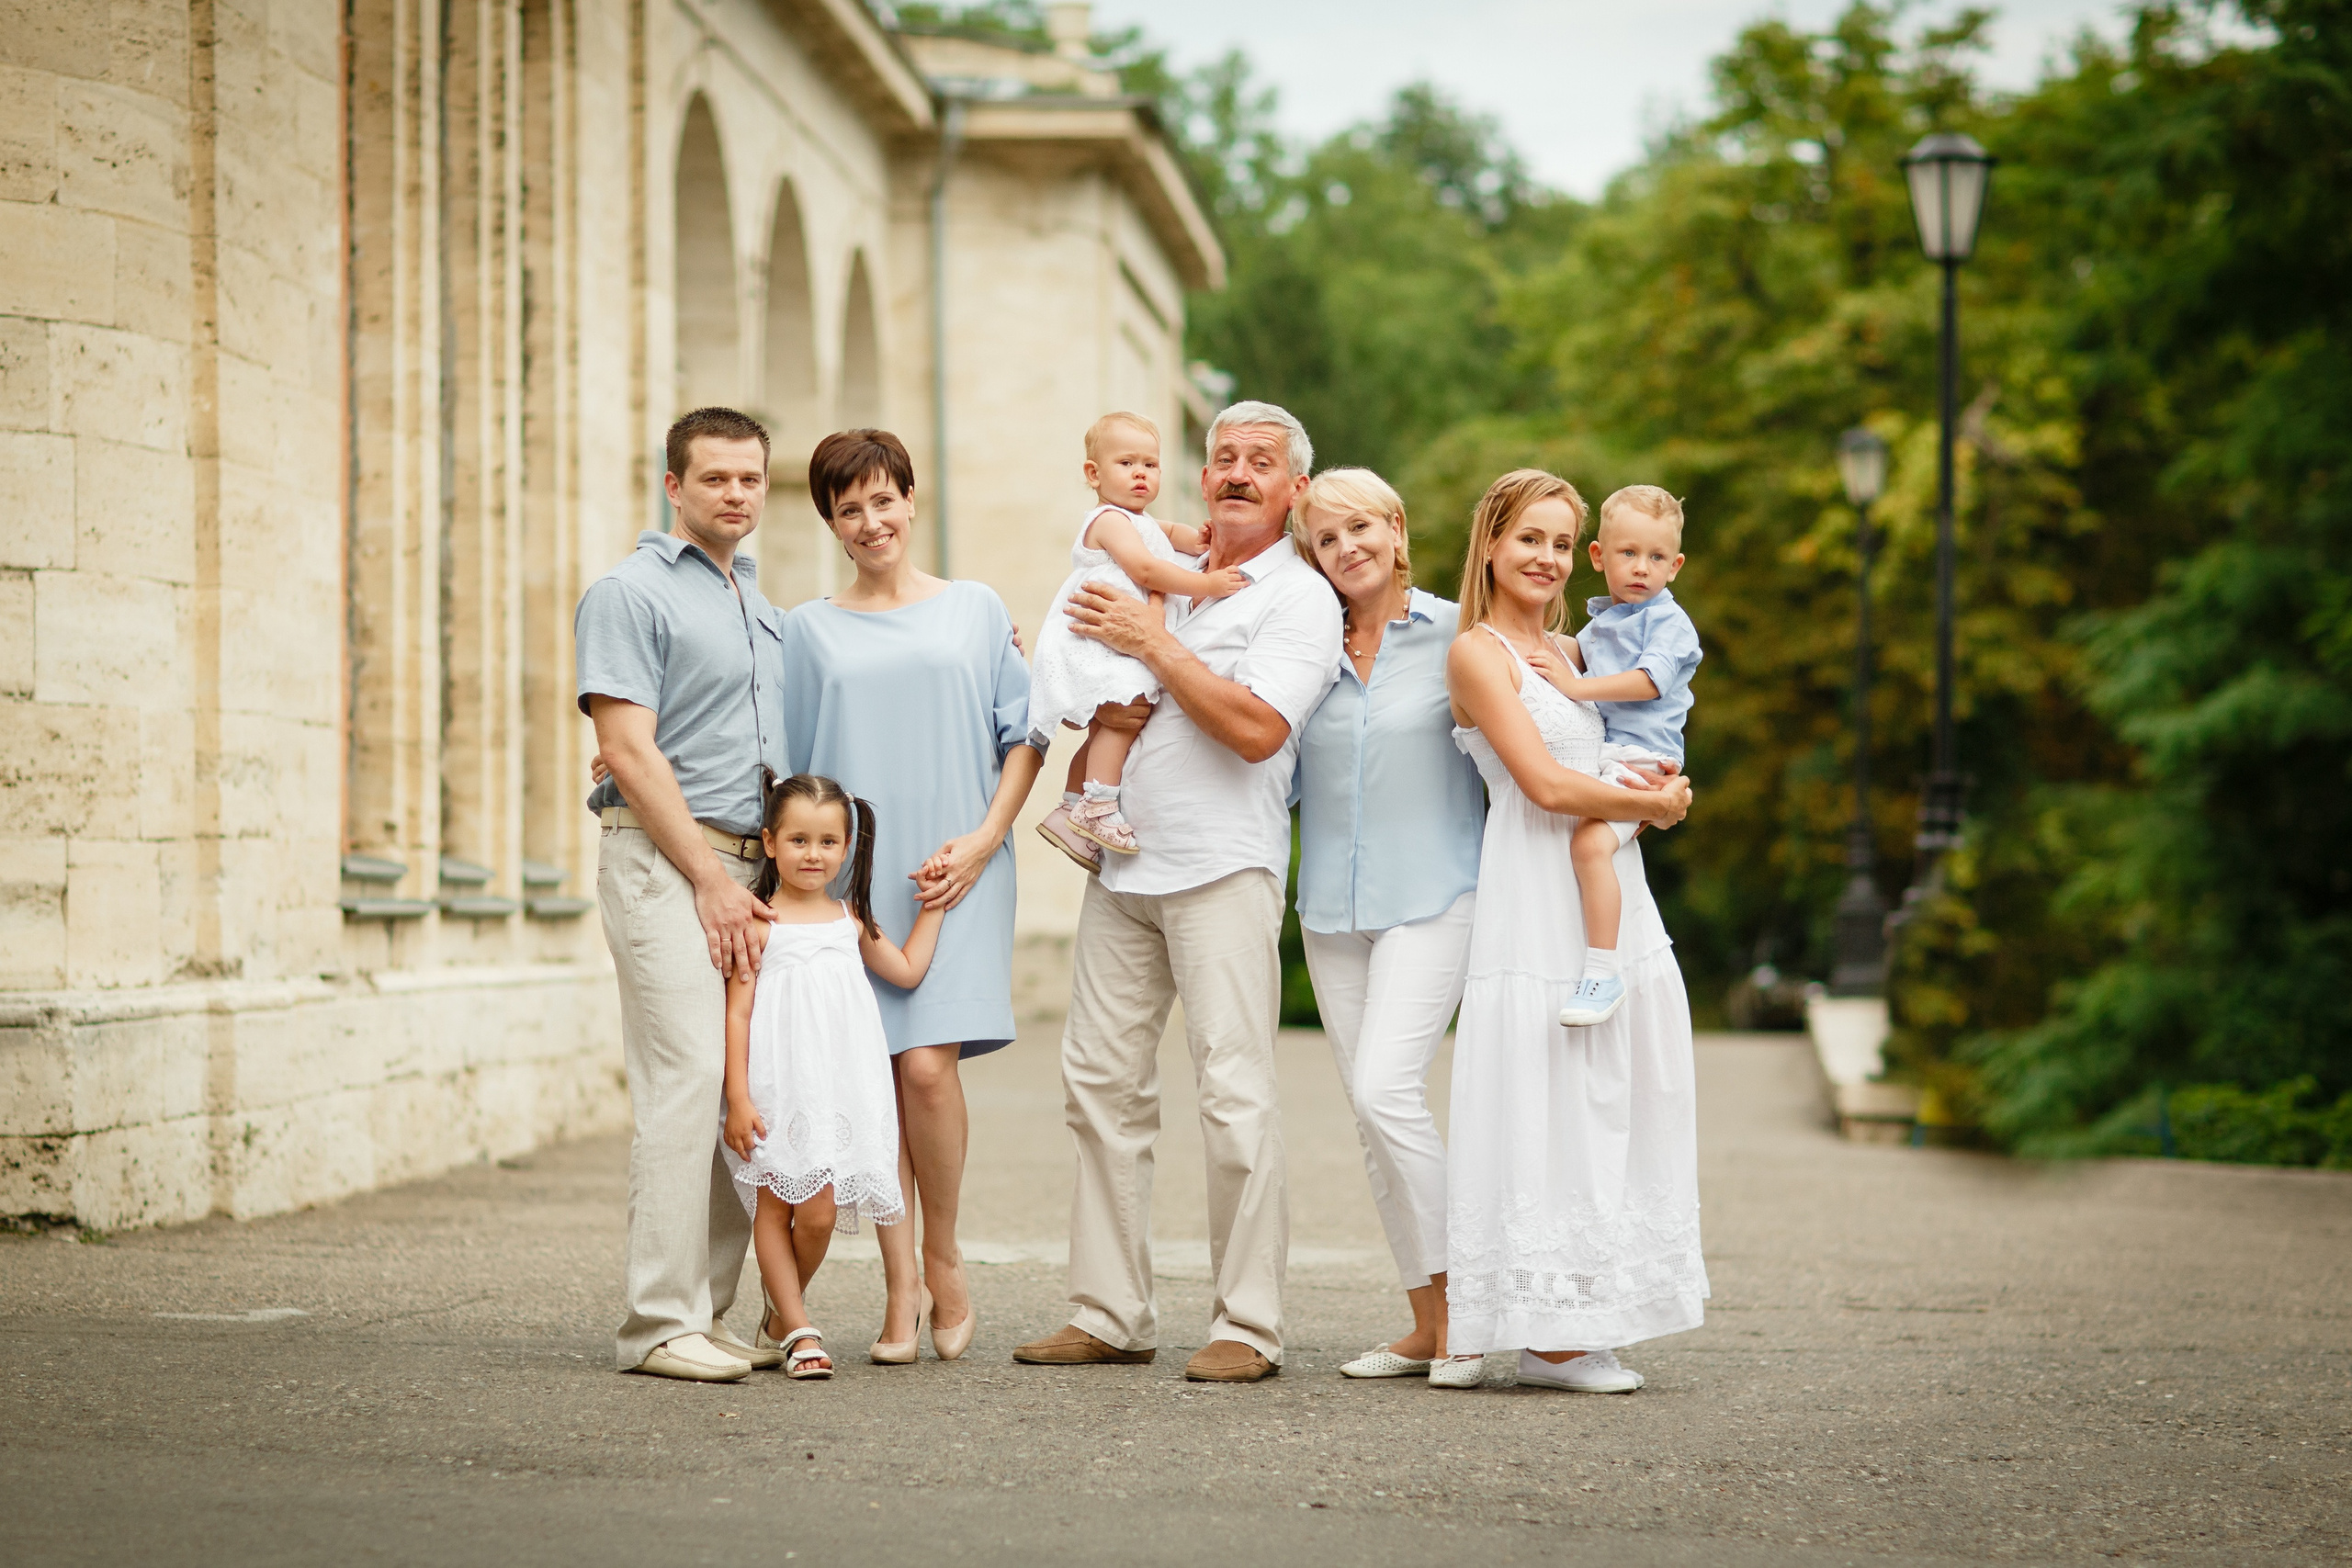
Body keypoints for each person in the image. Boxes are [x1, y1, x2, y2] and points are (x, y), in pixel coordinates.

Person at [1012, 400, 1341, 1384]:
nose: (1237, 472)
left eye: (1262, 462)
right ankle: (1109, 1311)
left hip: (1222, 868)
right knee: (1100, 1087)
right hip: (1122, 863)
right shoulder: (1152, 567)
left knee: (1234, 1095)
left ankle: (1247, 1325)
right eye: (1224, 457)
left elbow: (1254, 729)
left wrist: (1153, 645)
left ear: (1296, 490)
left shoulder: (1298, 599)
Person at [777, 429, 1045, 1365]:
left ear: (910, 499)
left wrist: (983, 839)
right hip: (854, 881)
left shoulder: (975, 609)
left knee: (926, 1069)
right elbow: (788, 764)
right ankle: (897, 1290)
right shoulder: (805, 629)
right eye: (849, 509)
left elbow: (1026, 735)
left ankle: (944, 1258)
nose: (870, 520)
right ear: (830, 524)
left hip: (960, 864)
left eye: (883, 499)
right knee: (873, 1077)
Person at [1440, 468, 1705, 1395]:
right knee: (1545, 1089)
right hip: (1537, 877)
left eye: (1560, 542)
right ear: (1491, 544)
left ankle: (1585, 1312)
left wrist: (1654, 787)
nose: (1546, 558)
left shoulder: (1573, 646)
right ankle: (1542, 1332)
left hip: (1602, 880)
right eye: (1531, 539)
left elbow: (1635, 722)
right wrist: (1662, 805)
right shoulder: (1480, 652)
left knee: (1610, 1092)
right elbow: (1546, 787)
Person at [576, 406, 791, 1383]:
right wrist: (707, 878)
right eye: (715, 479)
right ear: (674, 487)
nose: (736, 495)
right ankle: (656, 1324)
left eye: (750, 479)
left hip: (751, 872)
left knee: (739, 1092)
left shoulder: (755, 600)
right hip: (670, 866)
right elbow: (626, 747)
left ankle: (705, 1311)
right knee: (686, 1080)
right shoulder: (629, 593)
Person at [1286, 468, 1487, 1381]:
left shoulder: (1459, 634)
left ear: (1397, 528)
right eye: (1325, 539)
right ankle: (1426, 1319)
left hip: (1435, 895)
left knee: (1385, 1092)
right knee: (1370, 1121)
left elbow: (1553, 699)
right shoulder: (1304, 649)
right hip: (1331, 909)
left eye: (1359, 527)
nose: (1346, 548)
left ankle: (1471, 1314)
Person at [721, 773, 943, 1381]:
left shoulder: (851, 919)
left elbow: (904, 969)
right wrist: (737, 1096)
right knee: (774, 1206)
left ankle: (776, 1316)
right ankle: (799, 1328)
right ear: (769, 842)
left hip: (837, 1086)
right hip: (777, 1088)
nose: (812, 854)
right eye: (797, 839)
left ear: (846, 846)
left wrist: (935, 907)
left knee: (817, 1214)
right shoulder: (760, 922)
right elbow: (737, 1012)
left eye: (826, 841)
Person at [1521, 484, 1702, 1029]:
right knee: (1581, 848)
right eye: (1628, 553)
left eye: (1656, 557)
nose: (1641, 568)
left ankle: (1603, 971)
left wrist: (1576, 689)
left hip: (1644, 760)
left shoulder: (1668, 624)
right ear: (1599, 557)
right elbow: (1572, 652)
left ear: (1676, 566)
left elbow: (1648, 683)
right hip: (1612, 755)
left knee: (1590, 846)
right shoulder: (1605, 622)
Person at [1032, 412, 1249, 864]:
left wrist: (1199, 538)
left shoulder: (1139, 521)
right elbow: (1147, 569)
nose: (1140, 474)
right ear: (1094, 474)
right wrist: (1208, 583)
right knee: (1123, 716)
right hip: (1101, 633)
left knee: (1107, 726)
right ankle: (1098, 805)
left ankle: (1068, 808)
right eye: (1126, 463)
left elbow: (1170, 537)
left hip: (1116, 631)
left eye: (1150, 465)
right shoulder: (1109, 521)